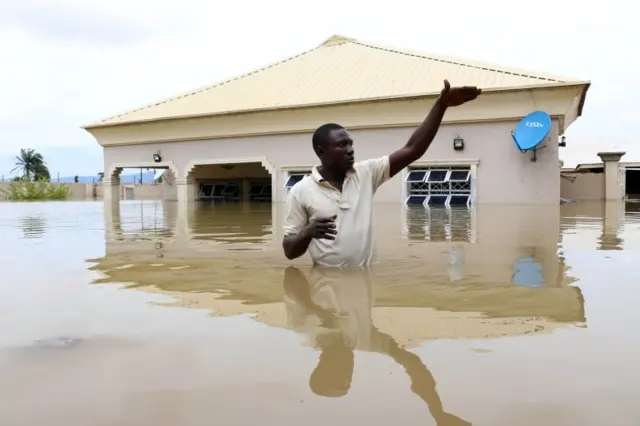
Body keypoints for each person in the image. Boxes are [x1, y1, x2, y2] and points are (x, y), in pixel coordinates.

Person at [282, 80, 482, 266]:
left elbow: (413, 150)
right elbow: (289, 251)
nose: (350, 150)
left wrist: (441, 106)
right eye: (341, 145)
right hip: (324, 289)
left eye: (351, 144)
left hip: (363, 288)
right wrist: (307, 233)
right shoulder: (300, 192)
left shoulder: (366, 173)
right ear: (321, 151)